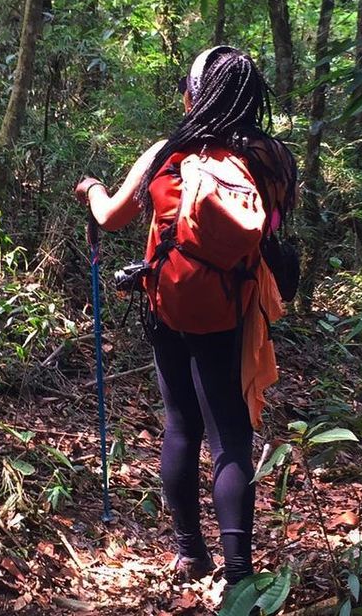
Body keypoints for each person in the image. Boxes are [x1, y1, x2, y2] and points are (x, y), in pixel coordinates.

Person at [74, 45, 297, 589]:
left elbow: (111, 216)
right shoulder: (273, 159)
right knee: (230, 439)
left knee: (180, 427)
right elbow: (272, 226)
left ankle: (190, 554)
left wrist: (91, 190)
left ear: (196, 93)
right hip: (233, 309)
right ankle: (240, 576)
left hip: (167, 305)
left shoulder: (166, 153)